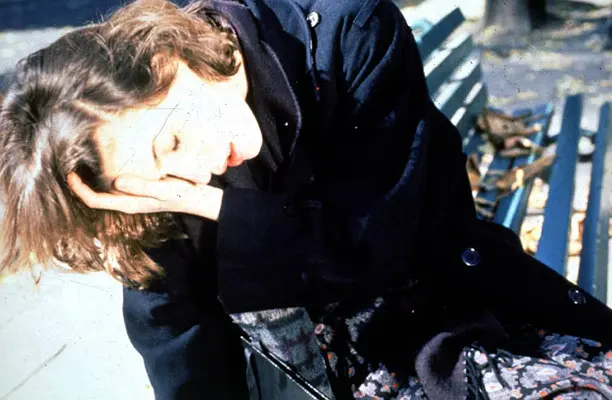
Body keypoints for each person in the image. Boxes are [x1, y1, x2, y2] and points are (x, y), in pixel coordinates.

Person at [1, 0, 612, 399]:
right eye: (160, 177)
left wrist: (226, 213)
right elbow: (174, 332)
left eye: (175, 140)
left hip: (451, 316)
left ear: (169, 61)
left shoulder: (348, 32)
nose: (197, 173)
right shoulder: (141, 163)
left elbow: (389, 238)